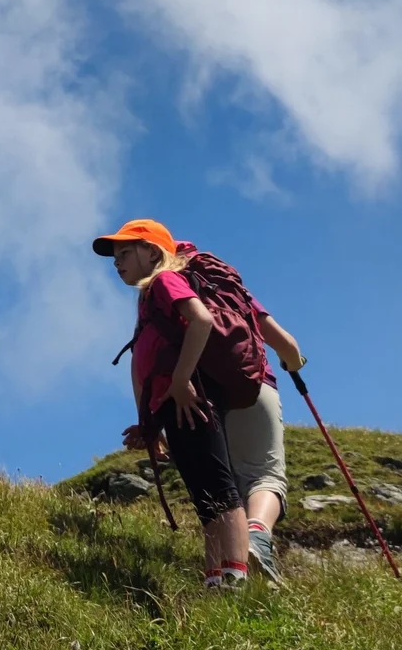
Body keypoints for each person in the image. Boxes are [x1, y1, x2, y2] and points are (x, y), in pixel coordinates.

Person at [94, 219, 304, 588]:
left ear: (153, 252)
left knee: (223, 486)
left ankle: (235, 567)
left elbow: (146, 357)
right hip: (251, 384)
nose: (116, 262)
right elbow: (283, 342)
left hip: (193, 389)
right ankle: (249, 543)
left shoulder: (162, 286)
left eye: (125, 252)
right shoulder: (220, 286)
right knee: (259, 475)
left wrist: (174, 384)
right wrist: (294, 362)